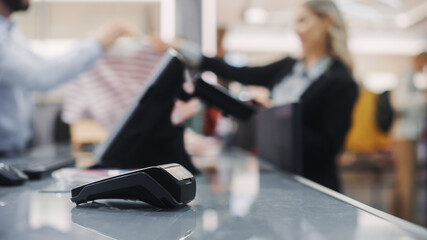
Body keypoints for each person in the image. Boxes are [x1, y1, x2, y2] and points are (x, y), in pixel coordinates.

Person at [182, 0, 358, 191]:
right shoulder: (289, 66)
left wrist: (275, 118)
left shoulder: (341, 82)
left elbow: (328, 148)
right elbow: (241, 73)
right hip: (275, 179)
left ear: (326, 21)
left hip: (314, 187)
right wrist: (186, 50)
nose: (296, 29)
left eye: (303, 21)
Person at [0, 0, 132, 155]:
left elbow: (43, 65)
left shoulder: (11, 33)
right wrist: (96, 44)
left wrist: (89, 43)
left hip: (16, 151)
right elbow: (39, 76)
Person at [390, 52, 427, 221]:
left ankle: (397, 218)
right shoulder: (407, 75)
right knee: (407, 182)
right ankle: (406, 221)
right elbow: (400, 103)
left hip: (406, 134)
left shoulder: (410, 76)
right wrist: (424, 98)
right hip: (405, 135)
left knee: (402, 181)